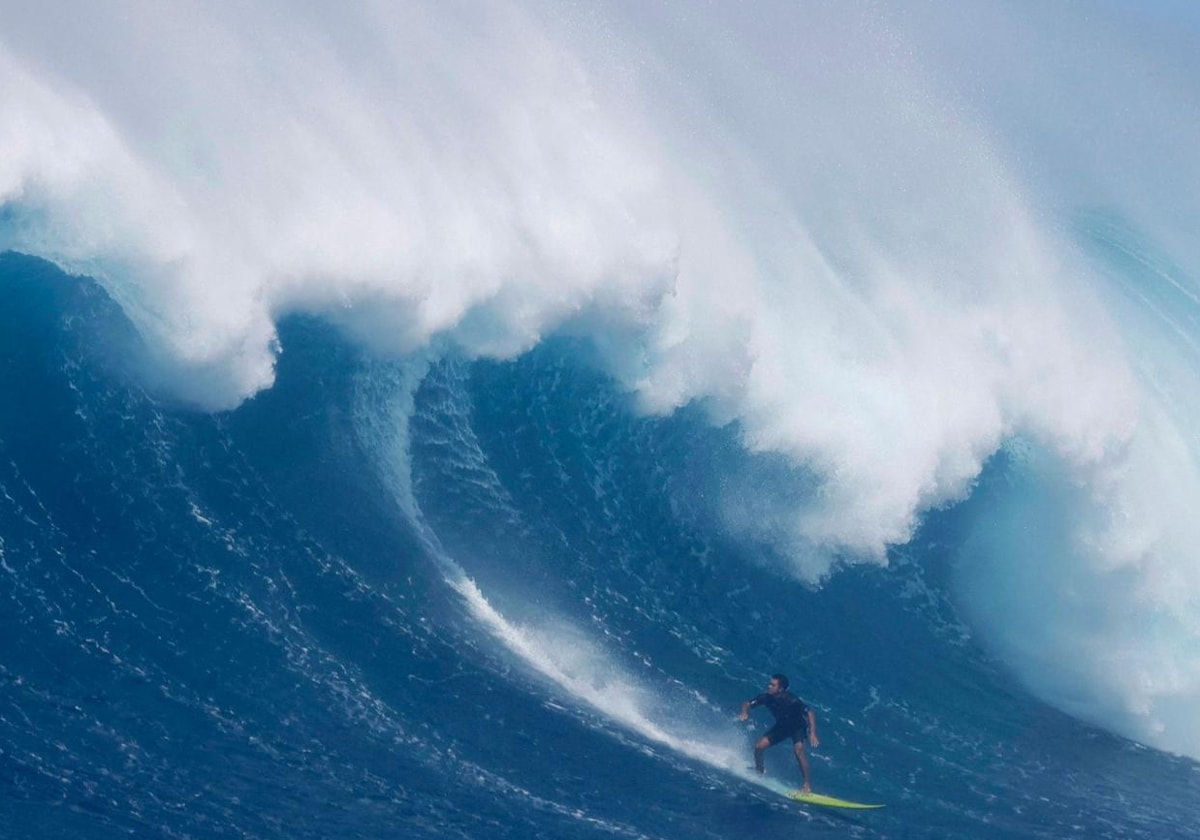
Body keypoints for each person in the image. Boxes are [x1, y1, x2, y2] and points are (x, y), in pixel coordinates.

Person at [739, 673, 819, 793]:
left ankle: (806, 785)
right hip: (782, 727)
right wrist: (744, 712)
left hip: (797, 728)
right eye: (770, 683)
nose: (769, 686)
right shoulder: (766, 697)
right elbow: (747, 703)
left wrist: (812, 733)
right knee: (759, 747)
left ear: (780, 688)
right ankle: (759, 771)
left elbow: (809, 713)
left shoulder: (792, 700)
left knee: (798, 750)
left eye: (773, 685)